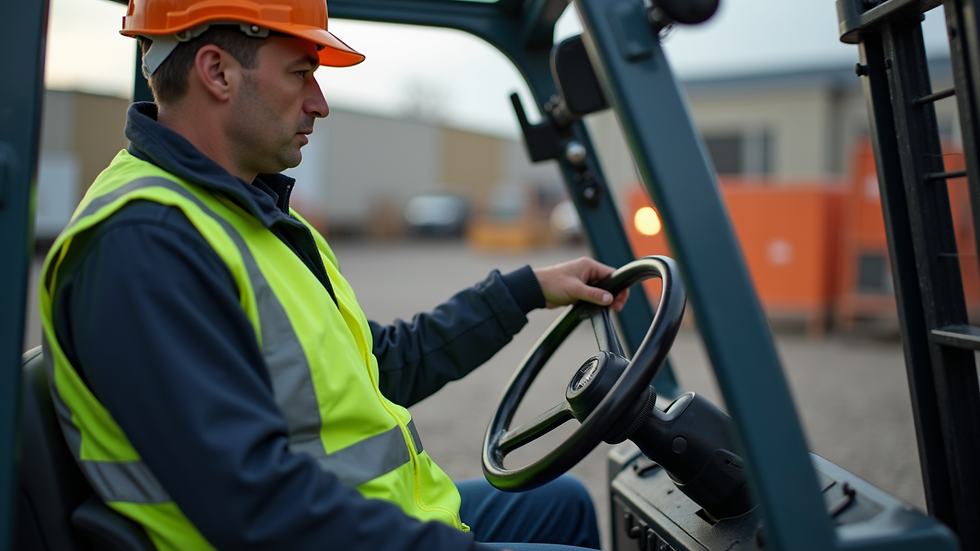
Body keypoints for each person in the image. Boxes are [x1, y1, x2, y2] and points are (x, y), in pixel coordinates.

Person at [38, 0, 627, 549]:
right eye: (300, 73)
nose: (319, 102)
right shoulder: (145, 246)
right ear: (217, 72)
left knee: (565, 504)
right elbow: (258, 506)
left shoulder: (247, 214)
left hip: (359, 511)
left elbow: (380, 366)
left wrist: (526, 290)